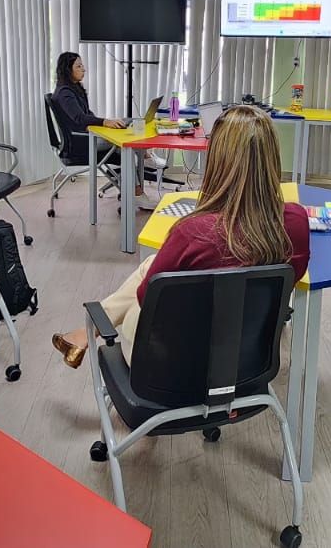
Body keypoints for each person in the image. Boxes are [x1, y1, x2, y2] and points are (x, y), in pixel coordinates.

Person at [51, 105, 311, 367]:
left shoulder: (193, 232)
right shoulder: (296, 221)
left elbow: (145, 298)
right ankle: (84, 333)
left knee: (148, 284)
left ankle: (87, 330)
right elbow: (293, 277)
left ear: (217, 159)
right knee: (152, 266)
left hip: (171, 364)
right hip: (249, 356)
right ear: (272, 158)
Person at [50, 51, 156, 209]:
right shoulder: (65, 93)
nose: (83, 69)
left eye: (82, 65)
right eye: (79, 66)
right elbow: (79, 118)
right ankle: (139, 183)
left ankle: (143, 165)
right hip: (80, 144)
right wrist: (105, 122)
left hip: (87, 136)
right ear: (67, 69)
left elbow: (87, 115)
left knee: (127, 122)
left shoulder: (73, 89)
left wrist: (108, 123)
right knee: (124, 144)